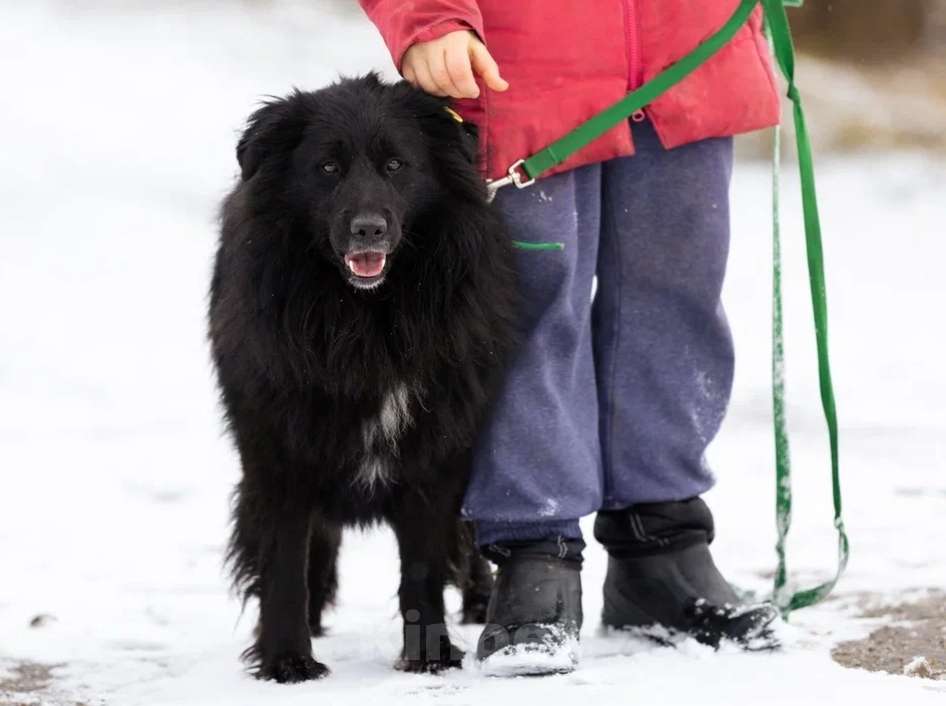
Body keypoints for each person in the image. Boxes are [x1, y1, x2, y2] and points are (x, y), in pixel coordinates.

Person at [360, 0, 782, 675]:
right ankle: (535, 548)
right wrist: (429, 18)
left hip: (691, 49)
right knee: (527, 310)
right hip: (523, 65)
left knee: (676, 301)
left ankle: (661, 543)